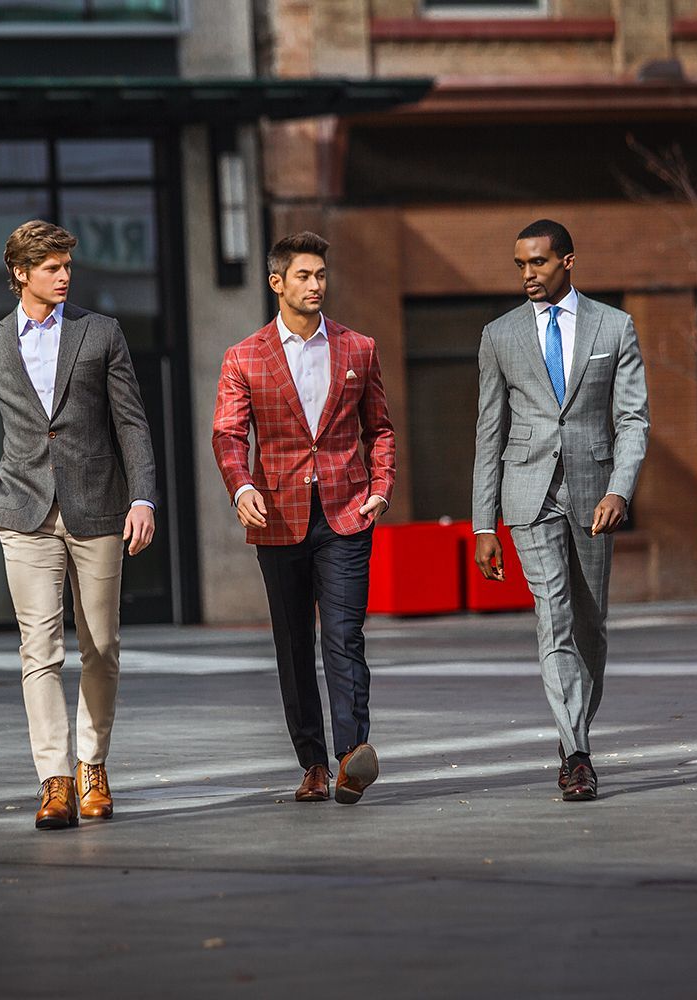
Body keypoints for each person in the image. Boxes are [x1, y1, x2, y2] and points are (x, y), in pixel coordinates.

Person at [0, 220, 158, 830]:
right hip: (25, 515)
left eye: (67, 265)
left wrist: (143, 498)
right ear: (20, 272)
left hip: (98, 508)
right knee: (38, 649)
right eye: (51, 267)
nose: (64, 275)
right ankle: (55, 781)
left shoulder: (100, 333)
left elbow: (131, 423)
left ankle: (93, 764)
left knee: (101, 647)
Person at [211, 231, 396, 805]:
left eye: (321, 275)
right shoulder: (244, 356)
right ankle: (312, 762)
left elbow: (380, 429)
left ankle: (350, 757)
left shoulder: (358, 348)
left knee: (344, 636)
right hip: (279, 519)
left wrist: (381, 486)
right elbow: (227, 433)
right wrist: (241, 485)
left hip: (346, 513)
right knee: (294, 644)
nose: (316, 285)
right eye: (304, 276)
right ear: (277, 283)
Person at [471, 219, 649, 802]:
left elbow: (632, 421)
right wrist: (483, 524)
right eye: (520, 265)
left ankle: (577, 731)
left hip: (596, 493)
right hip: (529, 495)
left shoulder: (614, 326)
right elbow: (489, 433)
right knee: (554, 614)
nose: (528, 275)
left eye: (539, 264)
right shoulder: (499, 336)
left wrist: (619, 491)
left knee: (591, 624)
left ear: (567, 262)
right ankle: (575, 752)